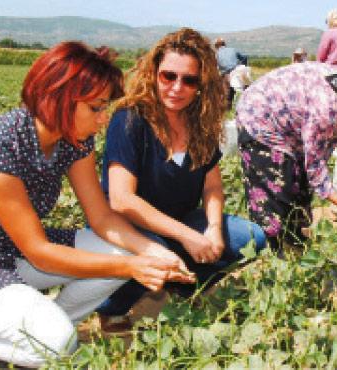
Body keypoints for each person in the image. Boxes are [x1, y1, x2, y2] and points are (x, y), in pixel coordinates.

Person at [0, 42, 194, 368]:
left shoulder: (75, 139)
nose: (103, 120)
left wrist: (151, 252)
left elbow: (100, 216)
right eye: (96, 108)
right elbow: (39, 252)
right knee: (58, 343)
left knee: (126, 255)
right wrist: (131, 268)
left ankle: (39, 327)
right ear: (57, 99)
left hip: (12, 249)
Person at [96, 28, 266, 331]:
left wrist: (213, 229)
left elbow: (212, 185)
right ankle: (113, 306)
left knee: (252, 238)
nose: (177, 87)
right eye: (168, 76)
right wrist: (187, 237)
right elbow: (121, 199)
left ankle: (185, 286)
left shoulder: (200, 123)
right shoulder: (131, 119)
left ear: (202, 84)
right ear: (153, 73)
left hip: (181, 220)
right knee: (161, 251)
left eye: (189, 80)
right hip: (130, 226)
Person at [235, 60, 337, 249]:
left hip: (288, 124)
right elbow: (314, 157)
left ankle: (296, 240)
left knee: (300, 185)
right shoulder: (327, 107)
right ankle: (276, 251)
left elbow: (321, 149)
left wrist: (320, 184)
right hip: (260, 118)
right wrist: (330, 193)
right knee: (277, 191)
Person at [214, 37, 248, 110]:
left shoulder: (217, 54)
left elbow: (215, 67)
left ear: (216, 46)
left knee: (227, 93)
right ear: (224, 44)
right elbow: (244, 57)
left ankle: (227, 109)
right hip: (238, 71)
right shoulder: (233, 50)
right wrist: (244, 66)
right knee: (245, 90)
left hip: (227, 74)